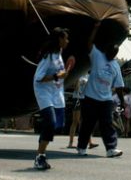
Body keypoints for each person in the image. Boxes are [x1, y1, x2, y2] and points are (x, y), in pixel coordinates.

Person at [76, 30, 124, 158]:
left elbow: (119, 86)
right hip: (90, 97)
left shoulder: (115, 66)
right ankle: (81, 147)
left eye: (114, 54)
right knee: (87, 123)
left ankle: (111, 149)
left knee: (107, 124)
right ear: (106, 51)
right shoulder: (97, 55)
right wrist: (96, 27)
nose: (111, 55)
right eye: (110, 53)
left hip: (106, 100)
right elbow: (89, 43)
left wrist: (122, 101)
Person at [33, 27, 74, 170]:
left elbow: (59, 73)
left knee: (58, 125)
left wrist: (64, 73)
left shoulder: (59, 53)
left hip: (56, 92)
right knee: (50, 123)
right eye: (66, 38)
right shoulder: (48, 56)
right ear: (59, 39)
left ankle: (44, 138)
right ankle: (40, 157)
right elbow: (39, 78)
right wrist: (57, 76)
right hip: (43, 91)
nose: (67, 41)